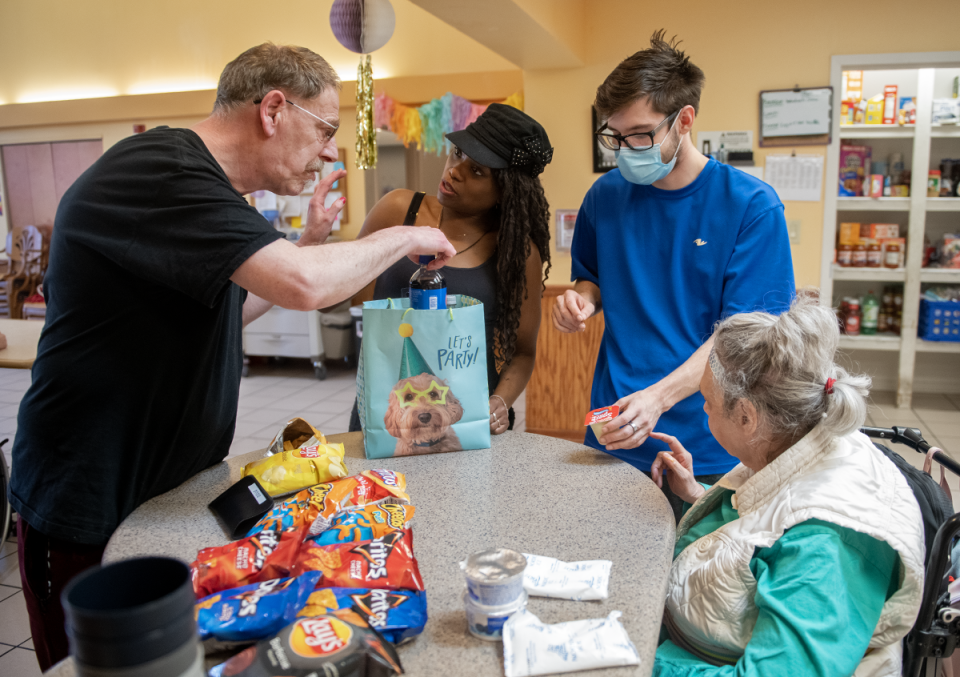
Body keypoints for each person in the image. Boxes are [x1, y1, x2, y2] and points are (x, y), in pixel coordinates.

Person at [9, 43, 455, 670]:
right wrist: (403, 235)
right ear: (274, 108)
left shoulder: (209, 191)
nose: (330, 150)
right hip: (88, 498)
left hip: (165, 494)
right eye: (326, 129)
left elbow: (230, 311)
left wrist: (301, 247)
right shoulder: (161, 170)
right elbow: (303, 284)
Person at [552, 30, 795, 521]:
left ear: (684, 121)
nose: (624, 149)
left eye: (640, 135)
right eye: (613, 136)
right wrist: (580, 300)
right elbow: (591, 279)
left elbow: (741, 340)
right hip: (615, 428)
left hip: (707, 439)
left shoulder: (750, 207)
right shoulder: (605, 196)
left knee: (694, 585)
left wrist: (659, 398)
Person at [649, 296, 925, 676]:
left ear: (746, 416)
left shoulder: (828, 546)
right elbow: (769, 524)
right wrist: (700, 495)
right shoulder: (805, 435)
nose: (704, 409)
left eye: (709, 402)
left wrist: (645, 662)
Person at [350, 103, 554, 435]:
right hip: (385, 413)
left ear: (506, 190)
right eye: (458, 153)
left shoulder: (516, 253)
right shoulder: (398, 211)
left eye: (477, 171)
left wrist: (500, 402)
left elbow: (523, 353)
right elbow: (341, 298)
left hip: (465, 418)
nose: (455, 170)